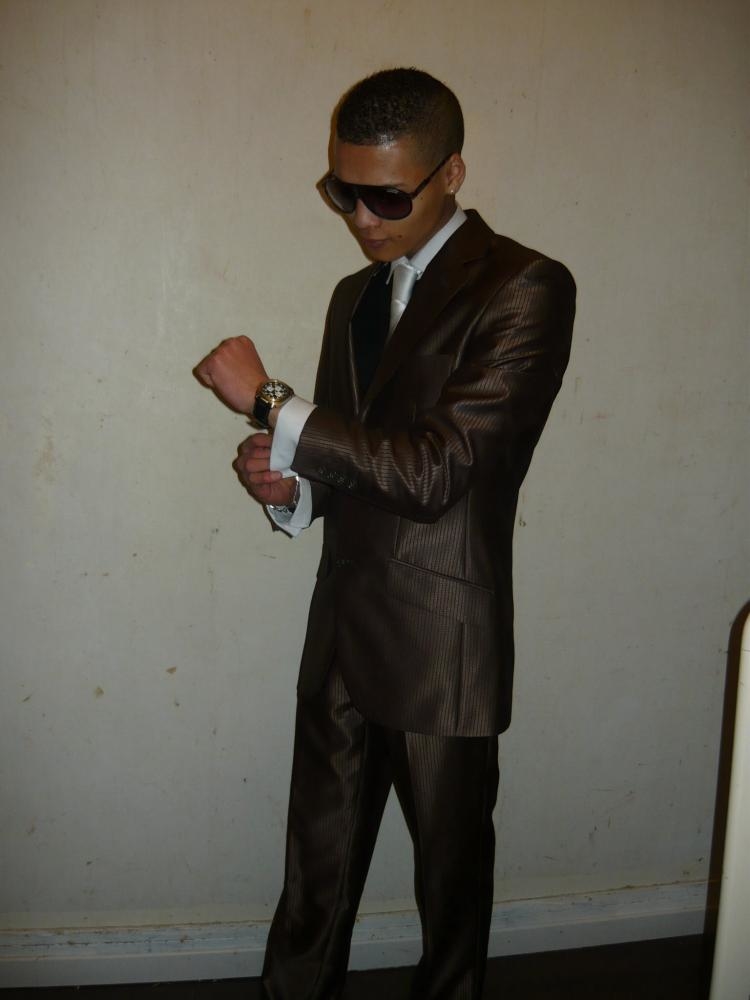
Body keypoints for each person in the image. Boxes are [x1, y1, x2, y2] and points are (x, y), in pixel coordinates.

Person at [195, 68, 575, 1000]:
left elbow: (436, 470)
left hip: (443, 646)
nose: (362, 219)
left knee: (451, 896)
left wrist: (273, 401)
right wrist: (291, 486)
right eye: (343, 192)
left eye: (387, 197)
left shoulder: (525, 286)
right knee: (312, 884)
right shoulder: (354, 298)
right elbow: (356, 464)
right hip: (342, 631)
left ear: (452, 172)